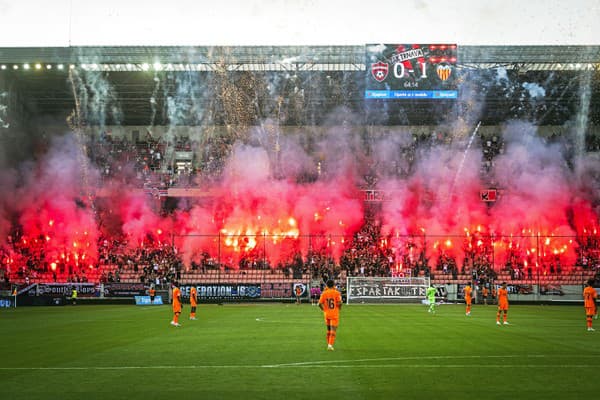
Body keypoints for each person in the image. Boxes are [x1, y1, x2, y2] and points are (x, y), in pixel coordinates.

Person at [318, 279, 342, 351]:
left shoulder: (324, 293)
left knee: (328, 330)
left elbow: (319, 304)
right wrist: (339, 308)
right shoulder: (336, 293)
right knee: (333, 330)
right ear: (334, 285)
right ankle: (330, 345)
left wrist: (324, 310)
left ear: (327, 285)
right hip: (334, 314)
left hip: (327, 314)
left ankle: (329, 343)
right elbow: (340, 303)